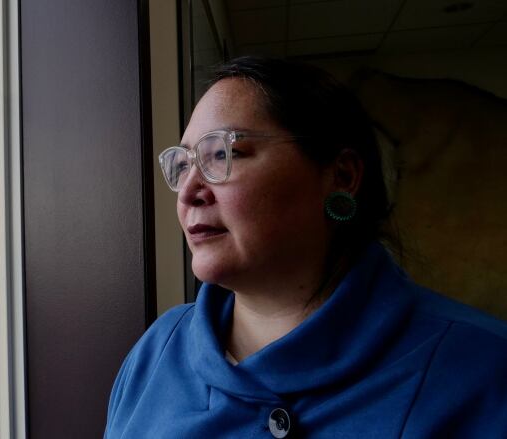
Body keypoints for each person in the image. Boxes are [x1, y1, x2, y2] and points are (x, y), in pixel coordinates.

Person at [104, 57, 507, 438]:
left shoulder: (483, 369)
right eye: (183, 164)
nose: (189, 191)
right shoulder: (157, 351)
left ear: (342, 175)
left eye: (224, 153)